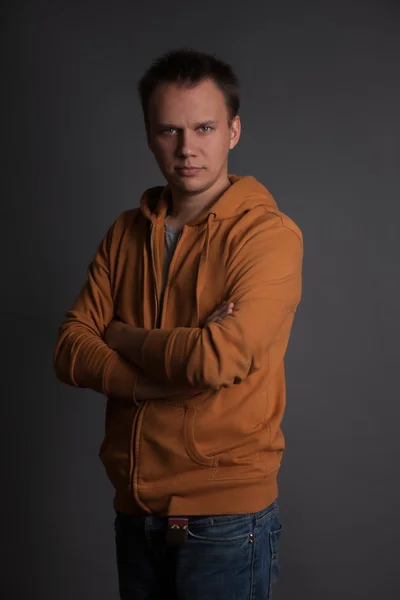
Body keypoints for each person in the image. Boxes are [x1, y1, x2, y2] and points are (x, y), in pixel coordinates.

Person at [53, 48, 303, 600]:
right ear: (148, 134)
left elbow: (217, 359)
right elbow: (69, 349)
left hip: (225, 522)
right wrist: (147, 379)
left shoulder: (267, 236)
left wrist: (119, 336)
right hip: (135, 512)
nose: (187, 148)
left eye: (205, 127)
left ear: (234, 131)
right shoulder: (125, 233)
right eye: (169, 129)